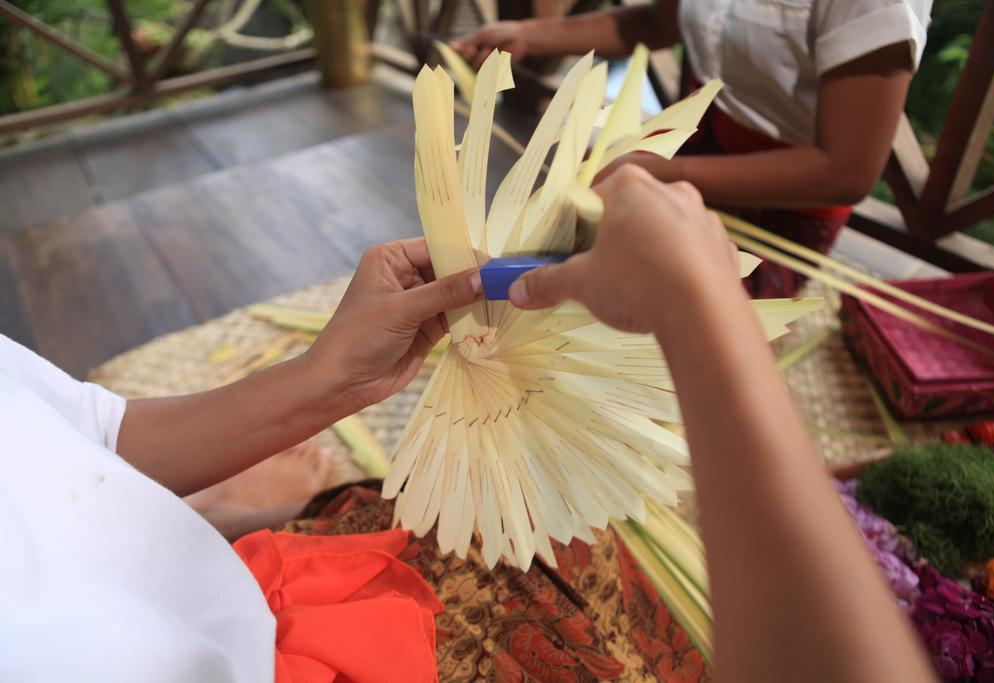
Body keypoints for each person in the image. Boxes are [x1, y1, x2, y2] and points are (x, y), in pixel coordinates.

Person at [0, 168, 936, 681]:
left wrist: (326, 380)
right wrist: (698, 309)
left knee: (564, 541)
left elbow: (81, 430)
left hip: (245, 600)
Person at [451, 0, 933, 297]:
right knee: (560, 249)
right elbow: (658, 23)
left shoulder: (880, 6)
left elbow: (846, 172)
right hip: (698, 137)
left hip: (788, 198)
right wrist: (531, 35)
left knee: (673, 328)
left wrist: (658, 172)